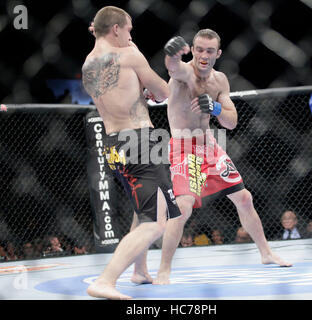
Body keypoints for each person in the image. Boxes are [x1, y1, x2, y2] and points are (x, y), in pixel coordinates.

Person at [149, 29, 292, 284]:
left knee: (244, 198)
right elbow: (172, 67)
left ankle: (266, 253)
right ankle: (164, 270)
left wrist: (214, 107)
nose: (204, 55)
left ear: (219, 53)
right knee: (182, 208)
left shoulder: (220, 80)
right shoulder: (183, 74)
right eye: (200, 49)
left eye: (209, 51)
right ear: (192, 50)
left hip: (210, 147)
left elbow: (232, 121)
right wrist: (171, 52)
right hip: (184, 149)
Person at [82, 6, 181, 299]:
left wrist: (140, 90)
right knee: (156, 223)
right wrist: (150, 89)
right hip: (140, 141)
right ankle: (106, 280)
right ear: (115, 29)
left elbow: (122, 93)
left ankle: (139, 271)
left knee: (145, 209)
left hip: (114, 143)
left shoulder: (89, 63)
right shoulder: (130, 55)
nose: (130, 35)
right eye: (128, 29)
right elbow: (163, 92)